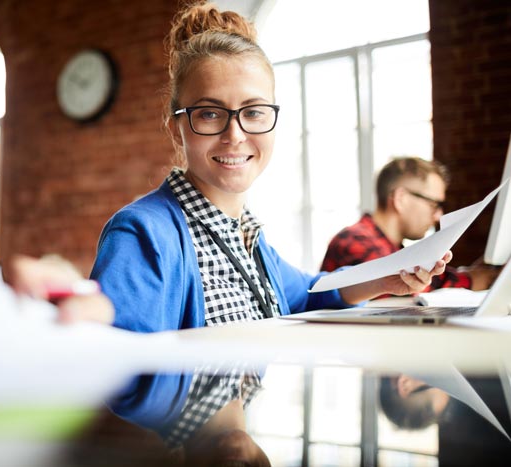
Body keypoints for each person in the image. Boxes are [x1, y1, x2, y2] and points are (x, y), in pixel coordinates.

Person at [88, 1, 451, 452]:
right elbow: (114, 375)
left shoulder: (247, 237)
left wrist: (391, 276)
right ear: (176, 127)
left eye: (254, 112)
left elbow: (310, 291)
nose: (235, 134)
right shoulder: (143, 234)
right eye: (209, 113)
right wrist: (205, 434)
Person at [321, 156, 500, 291]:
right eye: (433, 204)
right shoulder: (354, 241)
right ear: (401, 199)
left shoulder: (393, 248)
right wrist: (470, 280)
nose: (438, 215)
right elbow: (401, 286)